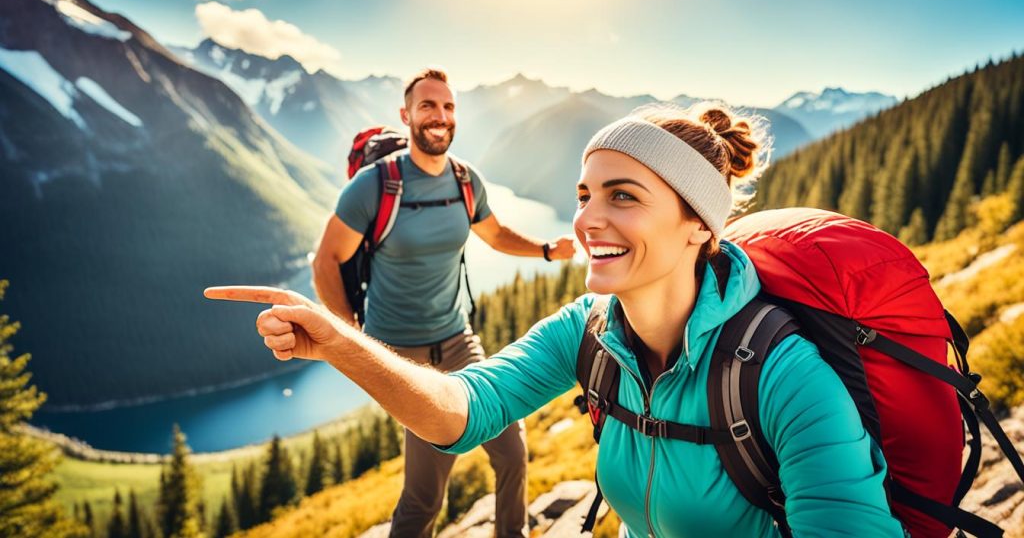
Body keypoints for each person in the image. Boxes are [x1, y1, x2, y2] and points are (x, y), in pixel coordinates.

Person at [208, 103, 904, 537]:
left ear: (699, 225)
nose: (587, 219)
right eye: (583, 193)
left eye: (622, 196)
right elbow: (464, 408)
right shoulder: (590, 328)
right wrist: (342, 343)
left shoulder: (785, 377)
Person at [309, 68, 575, 538]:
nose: (440, 116)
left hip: (457, 340)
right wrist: (349, 336)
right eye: (428, 106)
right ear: (406, 115)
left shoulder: (465, 181)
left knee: (512, 452)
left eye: (448, 107)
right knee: (426, 492)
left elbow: (493, 234)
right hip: (399, 352)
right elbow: (327, 260)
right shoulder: (376, 185)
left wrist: (548, 251)